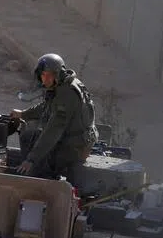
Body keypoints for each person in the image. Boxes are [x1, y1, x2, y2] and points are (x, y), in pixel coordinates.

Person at [10, 53, 98, 181]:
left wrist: (32, 160)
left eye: (48, 75)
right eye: (42, 75)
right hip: (77, 139)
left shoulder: (66, 94)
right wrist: (24, 114)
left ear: (57, 74)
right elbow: (47, 106)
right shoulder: (65, 84)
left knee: (38, 164)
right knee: (28, 136)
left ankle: (40, 182)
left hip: (75, 147)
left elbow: (54, 130)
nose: (44, 80)